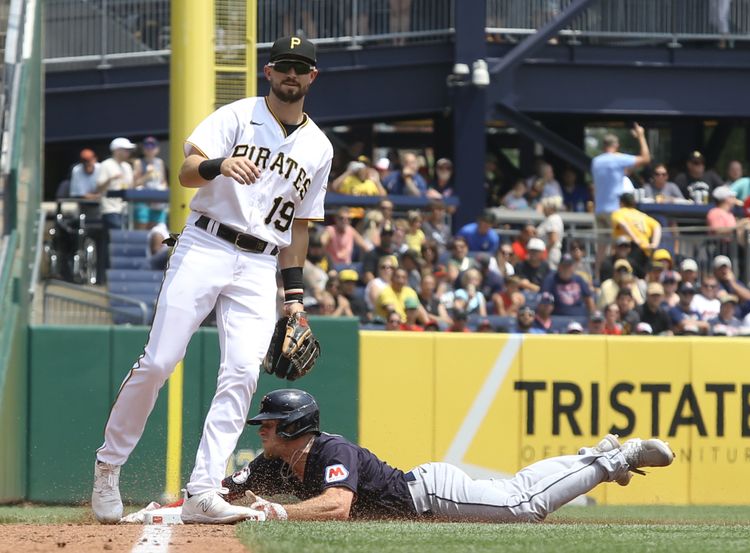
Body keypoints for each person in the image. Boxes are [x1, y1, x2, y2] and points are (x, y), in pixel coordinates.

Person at [90, 36, 332, 525]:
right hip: (206, 244)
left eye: (300, 68)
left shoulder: (319, 147)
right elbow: (184, 172)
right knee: (159, 361)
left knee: (243, 371)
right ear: (269, 72)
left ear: (312, 78)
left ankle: (203, 488)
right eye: (284, 66)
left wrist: (295, 300)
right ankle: (108, 466)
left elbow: (299, 225)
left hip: (261, 262)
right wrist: (219, 164)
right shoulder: (237, 116)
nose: (291, 74)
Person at [220, 389, 673, 523]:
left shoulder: (331, 449)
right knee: (514, 488)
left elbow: (337, 507)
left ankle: (619, 459)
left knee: (522, 505)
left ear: (294, 427)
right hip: (424, 497)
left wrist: (275, 511)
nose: (262, 430)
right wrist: (176, 508)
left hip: (431, 496)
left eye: (269, 424)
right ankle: (596, 455)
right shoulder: (272, 462)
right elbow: (223, 494)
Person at [590, 123, 651, 277]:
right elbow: (645, 158)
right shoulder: (617, 158)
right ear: (615, 145)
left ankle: (598, 277)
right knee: (619, 246)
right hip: (615, 211)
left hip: (599, 210)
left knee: (601, 247)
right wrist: (641, 136)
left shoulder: (596, 161)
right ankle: (614, 275)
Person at [611, 193, 661, 272]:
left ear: (621, 203)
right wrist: (655, 244)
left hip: (629, 249)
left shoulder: (619, 212)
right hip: (646, 250)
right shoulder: (642, 215)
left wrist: (635, 239)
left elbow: (623, 224)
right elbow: (657, 226)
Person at [96, 137, 136, 230]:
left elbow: (131, 186)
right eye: (126, 150)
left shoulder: (127, 167)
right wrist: (111, 179)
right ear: (117, 150)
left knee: (124, 238)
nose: (129, 152)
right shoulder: (106, 164)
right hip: (110, 209)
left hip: (125, 210)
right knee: (114, 238)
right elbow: (99, 188)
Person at [132, 136, 168, 230]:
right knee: (141, 228)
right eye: (147, 146)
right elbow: (135, 184)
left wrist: (161, 191)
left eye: (152, 146)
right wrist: (147, 176)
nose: (150, 149)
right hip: (143, 201)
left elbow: (163, 182)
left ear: (157, 149)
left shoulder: (160, 162)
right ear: (143, 149)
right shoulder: (138, 162)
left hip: (157, 201)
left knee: (156, 229)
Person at [537, 196, 564, 269]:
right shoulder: (552, 218)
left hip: (550, 254)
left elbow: (553, 239)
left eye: (545, 207)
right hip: (549, 253)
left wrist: (544, 253)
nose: (543, 209)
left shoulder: (553, 219)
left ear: (551, 208)